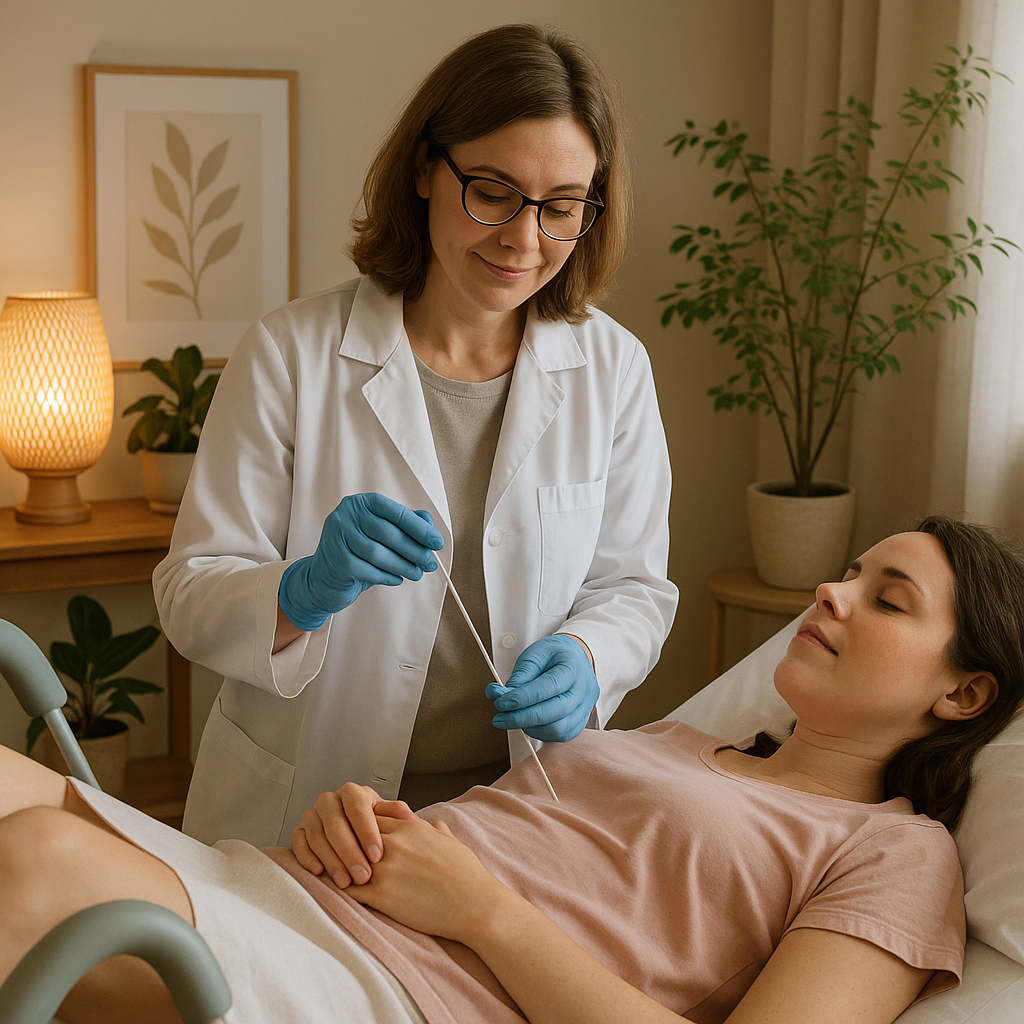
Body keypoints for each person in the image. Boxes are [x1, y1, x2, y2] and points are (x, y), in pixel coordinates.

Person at [3, 515, 1023, 1024]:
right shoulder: (676, 742)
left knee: (38, 862)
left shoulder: (895, 849)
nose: (829, 593)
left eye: (886, 599)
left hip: (397, 992)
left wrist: (479, 911)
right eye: (847, 572)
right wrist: (357, 822)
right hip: (289, 889)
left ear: (963, 694)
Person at [151, 23, 678, 847]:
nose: (524, 238)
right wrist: (299, 591)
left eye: (561, 207)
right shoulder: (292, 353)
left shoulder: (612, 368)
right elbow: (189, 593)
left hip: (512, 820)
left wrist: (587, 655)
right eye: (495, 192)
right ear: (427, 168)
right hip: (308, 808)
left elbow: (635, 589)